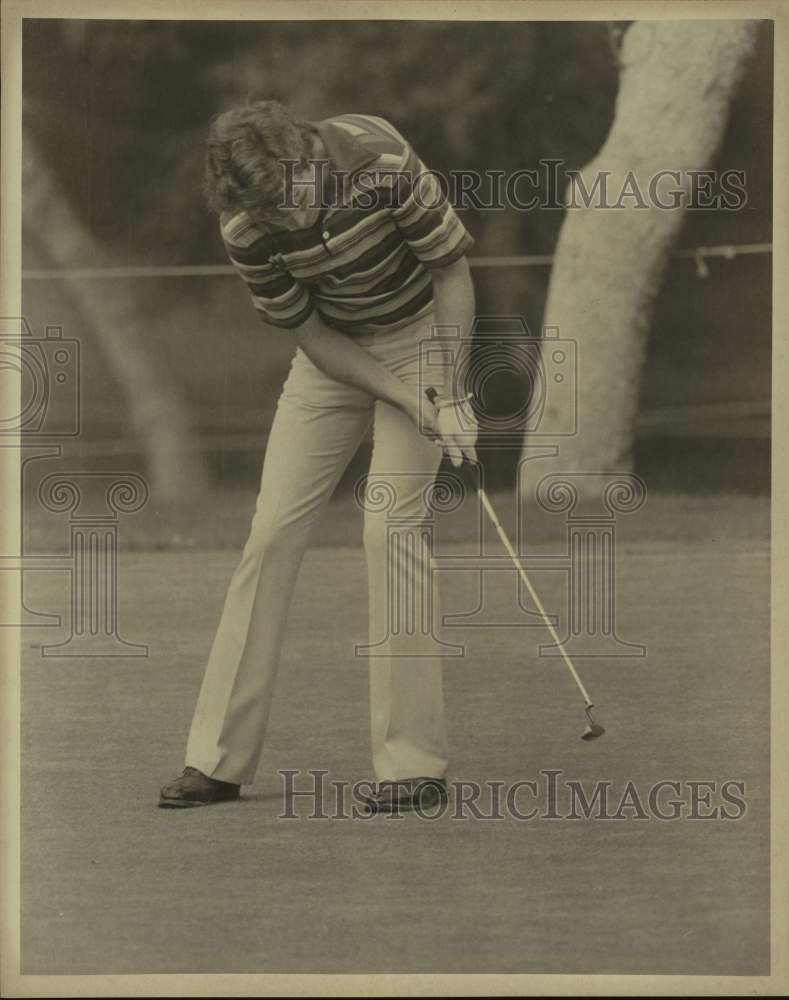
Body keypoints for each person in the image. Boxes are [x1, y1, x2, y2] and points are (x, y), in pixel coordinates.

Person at [159, 100, 478, 813]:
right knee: (270, 532)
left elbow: (451, 273)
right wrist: (396, 394)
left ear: (307, 153)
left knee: (389, 528)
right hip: (332, 358)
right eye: (274, 212)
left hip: (422, 333)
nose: (292, 218)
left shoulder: (381, 162)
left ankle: (412, 766)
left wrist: (447, 394)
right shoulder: (247, 226)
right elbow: (312, 338)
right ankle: (217, 758)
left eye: (295, 193)